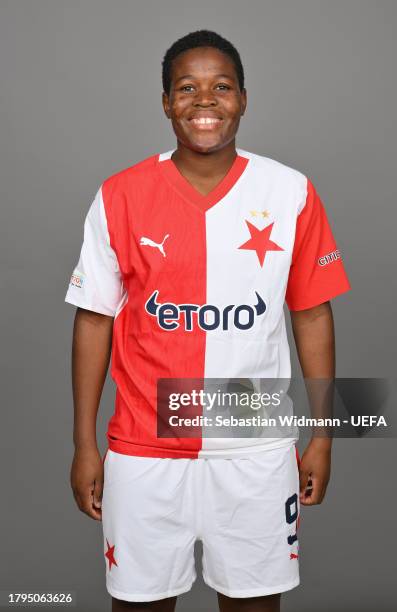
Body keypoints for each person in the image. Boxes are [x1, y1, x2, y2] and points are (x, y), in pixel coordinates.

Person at [65, 29, 351, 612]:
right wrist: (83, 443)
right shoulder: (119, 195)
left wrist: (323, 434)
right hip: (145, 448)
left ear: (243, 98)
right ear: (166, 102)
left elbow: (313, 313)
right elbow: (94, 321)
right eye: (186, 88)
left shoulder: (289, 191)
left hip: (255, 446)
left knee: (252, 603)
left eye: (221, 87)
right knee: (140, 604)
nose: (204, 101)